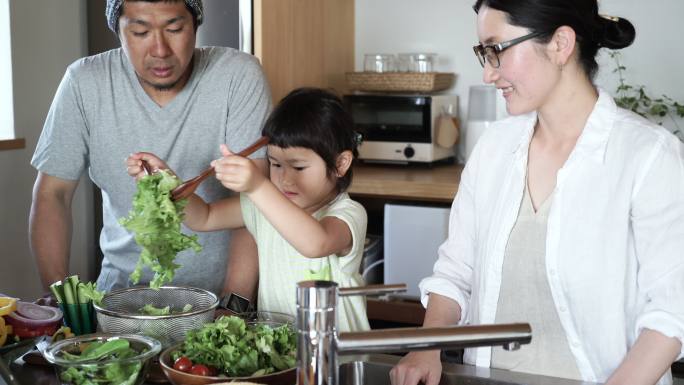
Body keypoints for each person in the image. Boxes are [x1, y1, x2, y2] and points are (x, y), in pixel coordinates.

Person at [390, 1, 684, 385]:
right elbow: (456, 272)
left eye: (497, 51)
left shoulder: (647, 155)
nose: (488, 73)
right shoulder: (494, 147)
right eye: (484, 53)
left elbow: (671, 310)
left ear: (561, 44)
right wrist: (425, 348)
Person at [29, 0, 271, 299]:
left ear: (195, 24)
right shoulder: (84, 82)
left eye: (174, 29)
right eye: (140, 32)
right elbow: (53, 194)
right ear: (117, 30)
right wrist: (62, 300)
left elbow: (254, 201)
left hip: (220, 299)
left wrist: (232, 306)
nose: (160, 50)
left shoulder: (237, 75)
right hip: (118, 299)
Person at [127, 88, 371, 332]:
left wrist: (258, 185)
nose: (284, 178)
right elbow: (204, 217)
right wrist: (165, 181)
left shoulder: (348, 213)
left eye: (298, 167)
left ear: (340, 164)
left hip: (341, 360)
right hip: (281, 355)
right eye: (275, 164)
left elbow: (315, 243)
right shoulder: (261, 206)